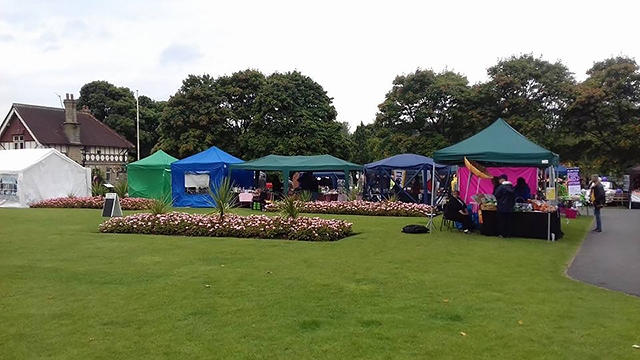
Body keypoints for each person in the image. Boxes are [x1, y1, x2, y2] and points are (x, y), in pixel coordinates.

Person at [494, 174, 516, 238]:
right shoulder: (512, 187)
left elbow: (496, 195)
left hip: (501, 206)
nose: (498, 180)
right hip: (510, 207)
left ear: (503, 179)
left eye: (499, 179)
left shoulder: (500, 187)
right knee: (509, 221)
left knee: (502, 221)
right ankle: (509, 234)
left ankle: (502, 234)